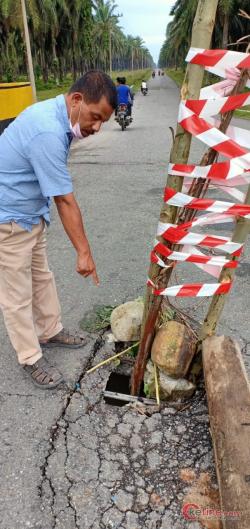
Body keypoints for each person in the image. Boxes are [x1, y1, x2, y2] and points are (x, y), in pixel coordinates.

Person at [0, 70, 117, 389]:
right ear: (77, 100)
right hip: (8, 218)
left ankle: (50, 330)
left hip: (30, 213)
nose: (96, 127)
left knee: (41, 276)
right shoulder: (47, 131)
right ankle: (29, 357)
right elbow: (64, 199)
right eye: (95, 117)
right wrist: (84, 253)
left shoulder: (58, 117)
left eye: (103, 121)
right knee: (16, 293)